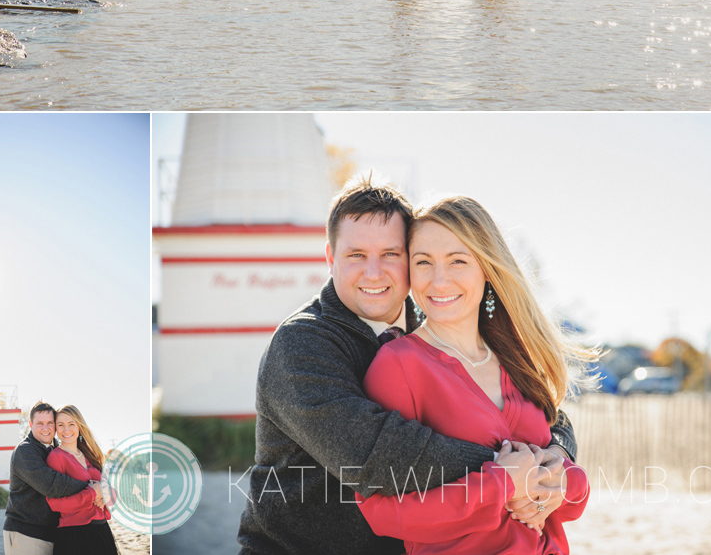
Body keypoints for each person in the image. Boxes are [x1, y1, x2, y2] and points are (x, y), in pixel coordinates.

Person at [238, 179, 568, 555]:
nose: (374, 273)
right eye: (356, 255)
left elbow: (541, 407)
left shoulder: (443, 322)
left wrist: (554, 459)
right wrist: (506, 468)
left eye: (391, 254)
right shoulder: (303, 343)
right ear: (331, 258)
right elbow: (371, 453)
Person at [358, 197, 588, 555]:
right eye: (423, 262)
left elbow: (570, 497)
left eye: (458, 261)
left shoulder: (518, 359)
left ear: (486, 268)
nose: (439, 279)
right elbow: (382, 511)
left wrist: (562, 484)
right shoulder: (398, 365)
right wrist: (502, 485)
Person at [5, 402, 99, 555]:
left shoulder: (56, 449)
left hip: (52, 533)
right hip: (26, 533)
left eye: (50, 423)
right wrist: (93, 489)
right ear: (30, 424)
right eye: (40, 423)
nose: (46, 428)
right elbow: (52, 485)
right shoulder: (25, 451)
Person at [45, 406, 118, 548]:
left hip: (102, 530)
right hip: (74, 534)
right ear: (55, 429)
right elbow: (54, 503)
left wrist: (106, 494)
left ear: (79, 426)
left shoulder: (91, 455)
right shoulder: (56, 457)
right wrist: (92, 493)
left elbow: (112, 492)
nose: (66, 430)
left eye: (71, 424)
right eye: (61, 425)